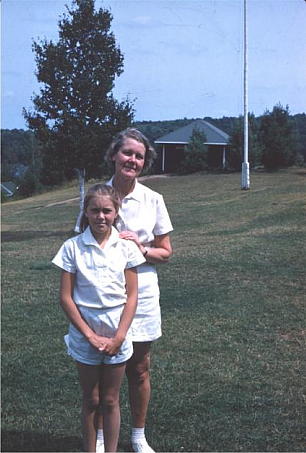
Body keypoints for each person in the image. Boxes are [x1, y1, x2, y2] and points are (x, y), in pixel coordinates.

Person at [52, 184, 146, 453]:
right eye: (95, 210)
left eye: (107, 211)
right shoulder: (72, 247)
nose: (101, 216)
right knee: (91, 399)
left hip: (118, 335)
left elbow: (132, 296)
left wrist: (118, 337)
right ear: (86, 212)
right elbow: (66, 298)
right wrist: (90, 336)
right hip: (85, 336)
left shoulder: (126, 248)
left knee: (110, 400)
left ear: (116, 213)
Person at [97, 128, 173, 453]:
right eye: (127, 153)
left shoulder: (153, 200)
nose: (132, 160)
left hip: (142, 292)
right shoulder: (98, 197)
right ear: (114, 155)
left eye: (139, 156)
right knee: (105, 367)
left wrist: (141, 248)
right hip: (104, 294)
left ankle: (138, 436)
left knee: (139, 368)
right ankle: (101, 436)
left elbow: (165, 251)